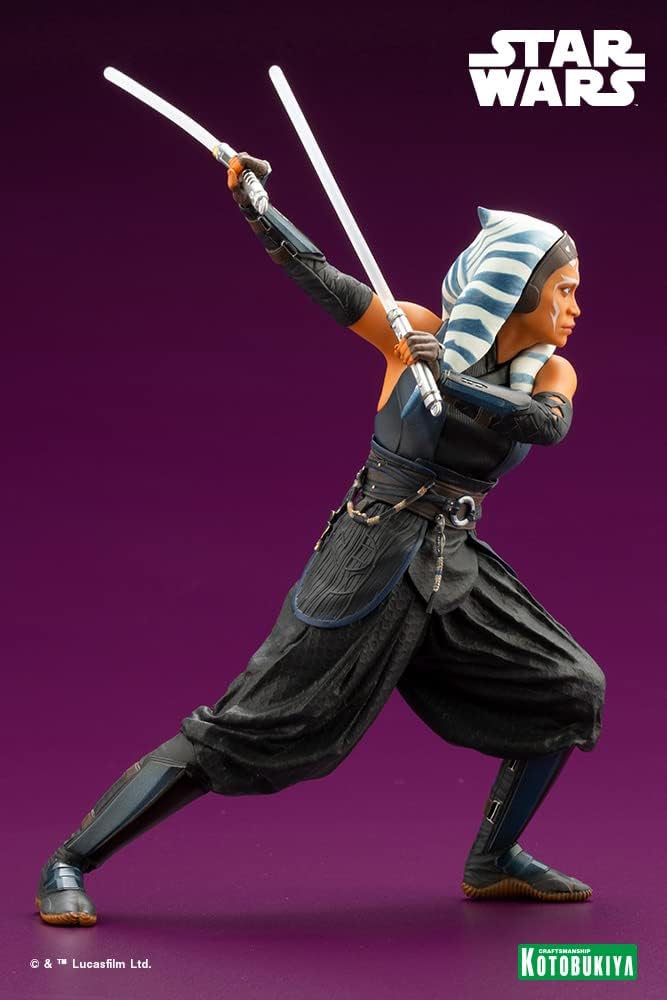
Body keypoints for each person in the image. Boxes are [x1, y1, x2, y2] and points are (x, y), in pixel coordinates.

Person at [36, 154, 605, 926]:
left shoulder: (549, 374)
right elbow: (327, 282)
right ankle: (70, 860)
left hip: (453, 567)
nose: (574, 307)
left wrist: (454, 381)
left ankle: (492, 859)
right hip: (371, 552)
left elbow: (544, 425)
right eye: (563, 289)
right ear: (517, 286)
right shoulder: (415, 331)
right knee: (249, 722)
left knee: (569, 688)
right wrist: (256, 207)